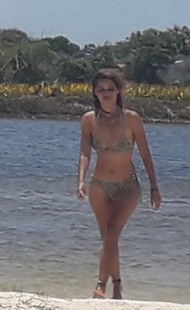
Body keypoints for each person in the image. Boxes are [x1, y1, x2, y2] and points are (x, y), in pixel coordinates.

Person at [77, 68, 161, 300]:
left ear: (118, 91)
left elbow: (145, 153)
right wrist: (81, 180)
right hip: (99, 186)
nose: (105, 93)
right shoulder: (89, 120)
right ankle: (117, 287)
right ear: (94, 92)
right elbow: (85, 152)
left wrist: (154, 186)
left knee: (112, 233)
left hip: (128, 186)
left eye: (110, 89)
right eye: (101, 89)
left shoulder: (132, 119)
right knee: (108, 238)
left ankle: (101, 285)